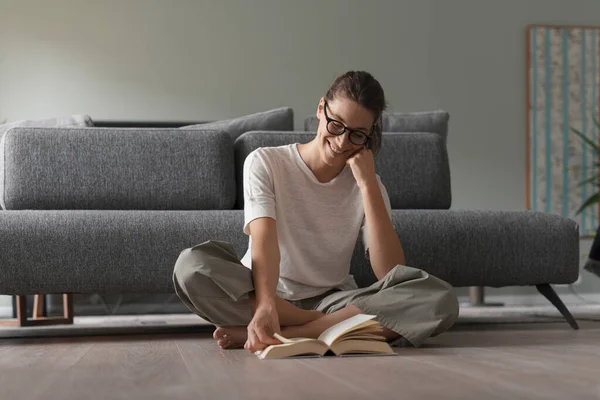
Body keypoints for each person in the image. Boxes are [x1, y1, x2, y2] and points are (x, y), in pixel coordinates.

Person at [173, 71, 459, 353]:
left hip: (332, 300)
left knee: (440, 298)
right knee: (191, 266)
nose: (343, 142)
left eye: (357, 135)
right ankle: (324, 326)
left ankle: (296, 333)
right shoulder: (265, 161)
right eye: (336, 125)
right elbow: (264, 241)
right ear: (321, 109)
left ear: (369, 137)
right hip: (262, 292)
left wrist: (367, 183)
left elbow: (392, 272)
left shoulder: (369, 185)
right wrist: (266, 305)